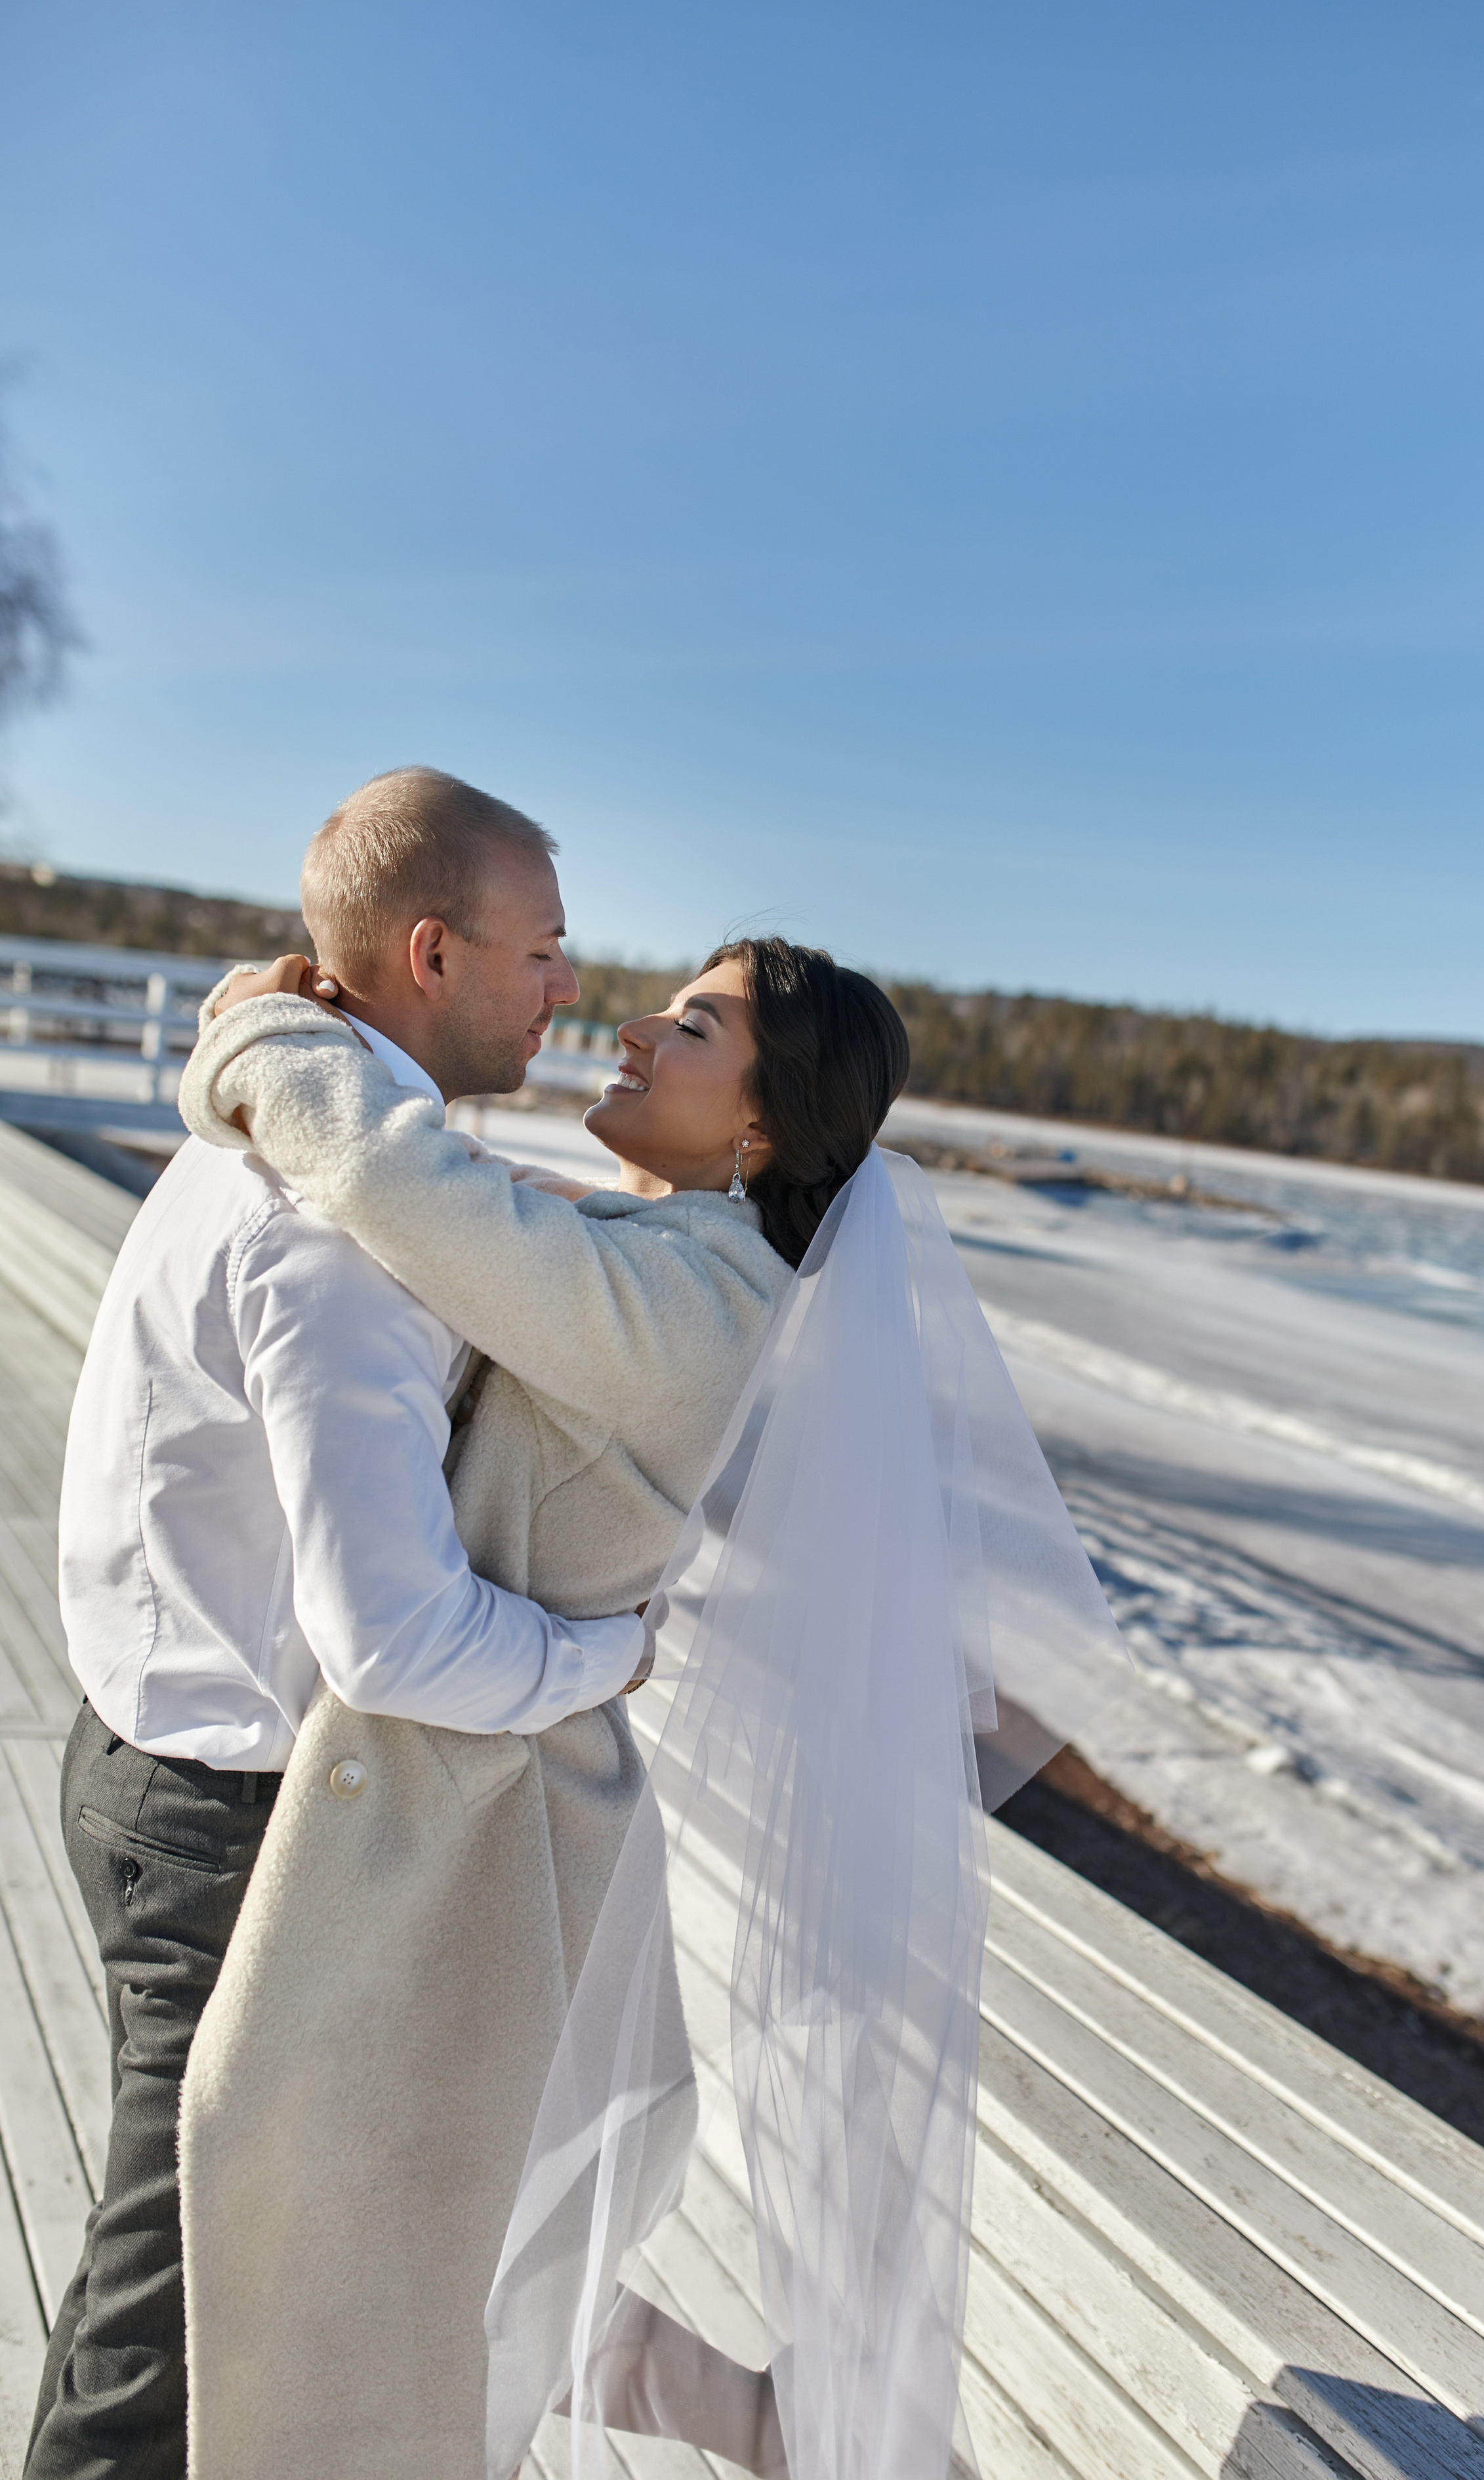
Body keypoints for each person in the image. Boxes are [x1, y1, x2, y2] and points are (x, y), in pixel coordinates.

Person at [176, 909, 1125, 2480]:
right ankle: (764, 2423)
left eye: (691, 1027)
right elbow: (473, 1218)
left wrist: (263, 1031)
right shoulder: (662, 1260)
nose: (630, 1029)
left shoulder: (696, 1304)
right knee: (414, 2245)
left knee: (346, 2231)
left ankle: (774, 2426)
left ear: (757, 1125)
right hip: (468, 1805)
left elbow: (399, 1185)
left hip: (472, 1835)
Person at [26, 769, 651, 2480]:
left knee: (228, 2280)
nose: (566, 995)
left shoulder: (308, 1121)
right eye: (543, 954)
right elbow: (386, 1639)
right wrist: (604, 1660)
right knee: (172, 2321)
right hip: (222, 1818)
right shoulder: (338, 1220)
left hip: (164, 1757)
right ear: (432, 953)